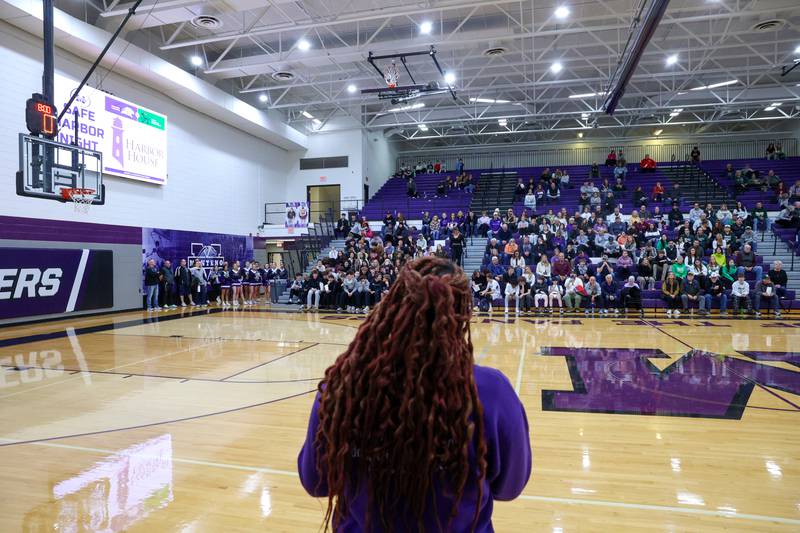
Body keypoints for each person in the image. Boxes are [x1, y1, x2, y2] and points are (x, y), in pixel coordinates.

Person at [298, 258, 531, 532]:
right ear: (463, 316)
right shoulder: (491, 392)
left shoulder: (344, 386)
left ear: (392, 303)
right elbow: (509, 488)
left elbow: (315, 482)